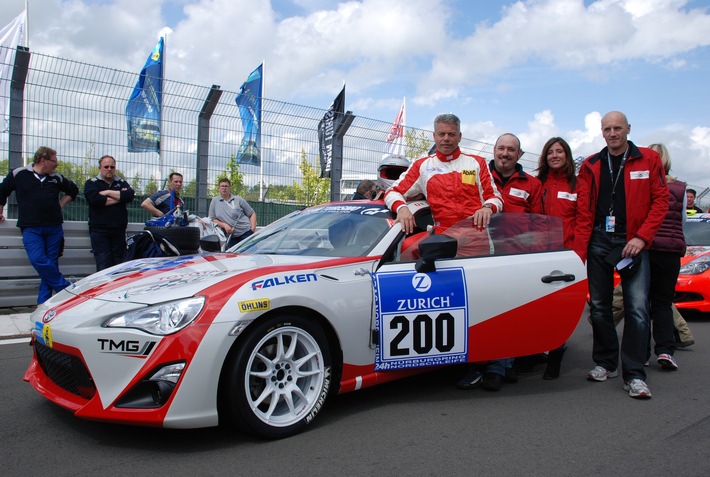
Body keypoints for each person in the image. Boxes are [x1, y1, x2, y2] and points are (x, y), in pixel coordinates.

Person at [385, 113, 504, 391]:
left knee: (487, 307)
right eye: (442, 134)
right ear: (434, 136)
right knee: (454, 309)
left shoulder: (475, 164)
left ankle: (496, 365)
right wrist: (401, 208)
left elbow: (496, 196)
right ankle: (468, 365)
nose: (447, 139)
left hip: (478, 244)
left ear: (460, 136)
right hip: (443, 246)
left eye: (451, 134)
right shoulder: (422, 165)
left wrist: (488, 207)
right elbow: (394, 191)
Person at [574, 111, 669, 399]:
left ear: (628, 128)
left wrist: (643, 237)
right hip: (600, 241)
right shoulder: (591, 164)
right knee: (600, 307)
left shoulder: (648, 160)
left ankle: (635, 375)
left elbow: (661, 201)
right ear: (601, 132)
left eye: (617, 128)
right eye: (607, 129)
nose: (612, 133)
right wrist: (580, 252)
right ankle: (605, 363)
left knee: (637, 308)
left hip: (633, 242)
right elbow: (583, 211)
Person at [611, 143, 687, 371]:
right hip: (670, 251)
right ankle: (665, 350)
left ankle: (641, 353)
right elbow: (681, 220)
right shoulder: (681, 189)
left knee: (639, 304)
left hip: (643, 247)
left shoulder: (640, 184)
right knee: (663, 302)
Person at [0, 146, 79, 304]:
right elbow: (2, 190)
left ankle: (43, 304)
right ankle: (67, 291)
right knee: (39, 259)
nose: (57, 165)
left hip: (54, 227)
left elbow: (74, 190)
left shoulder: (56, 178)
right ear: (43, 160)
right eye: (54, 161)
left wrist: (61, 204)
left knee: (51, 264)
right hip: (31, 227)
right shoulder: (19, 174)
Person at [536, 137, 578, 379]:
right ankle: (538, 350)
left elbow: (584, 221)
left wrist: (578, 255)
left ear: (567, 155)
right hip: (540, 255)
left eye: (559, 151)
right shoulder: (537, 183)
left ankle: (556, 354)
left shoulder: (577, 185)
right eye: (550, 151)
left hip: (567, 255)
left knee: (561, 309)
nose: (555, 155)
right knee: (540, 307)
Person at [84, 155, 135, 271]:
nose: (109, 169)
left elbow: (130, 195)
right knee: (103, 264)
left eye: (112, 167)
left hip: (119, 230)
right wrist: (119, 197)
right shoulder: (91, 183)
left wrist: (107, 192)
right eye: (106, 166)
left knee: (119, 265)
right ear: (99, 168)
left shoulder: (122, 182)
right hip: (99, 231)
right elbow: (95, 200)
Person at [209, 178, 256, 249]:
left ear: (229, 188)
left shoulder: (238, 200)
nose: (224, 188)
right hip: (230, 236)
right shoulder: (214, 201)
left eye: (226, 186)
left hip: (245, 232)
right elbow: (212, 219)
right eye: (222, 186)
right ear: (218, 188)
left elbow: (252, 213)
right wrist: (224, 225)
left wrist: (253, 228)